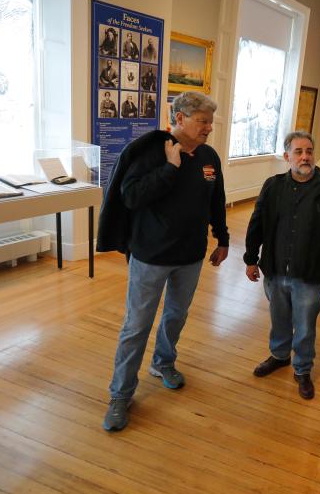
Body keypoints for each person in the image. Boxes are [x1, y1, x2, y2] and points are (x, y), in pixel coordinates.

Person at [97, 91, 229, 431]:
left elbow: (217, 200)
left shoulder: (208, 156)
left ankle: (163, 362)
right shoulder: (152, 152)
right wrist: (170, 168)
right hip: (151, 257)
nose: (208, 128)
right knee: (136, 325)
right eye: (202, 121)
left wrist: (223, 239)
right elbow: (131, 196)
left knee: (176, 316)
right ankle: (120, 395)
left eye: (210, 122)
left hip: (190, 256)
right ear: (181, 118)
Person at [243, 131, 320, 399]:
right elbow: (256, 223)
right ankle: (279, 355)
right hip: (276, 267)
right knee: (279, 317)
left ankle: (302, 368)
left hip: (310, 272)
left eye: (309, 151)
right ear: (287, 156)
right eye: (298, 152)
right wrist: (250, 258)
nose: (305, 157)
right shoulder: (272, 186)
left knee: (304, 324)